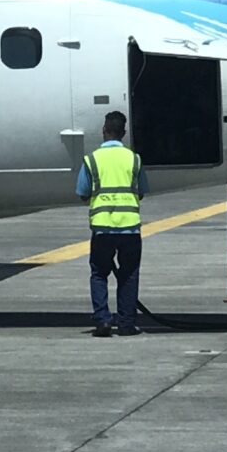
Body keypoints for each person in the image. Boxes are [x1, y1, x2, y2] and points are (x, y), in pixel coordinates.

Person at [75, 110, 145, 337]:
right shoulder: (134, 159)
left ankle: (103, 320)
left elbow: (83, 192)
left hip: (102, 228)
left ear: (104, 131)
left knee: (99, 274)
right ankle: (126, 323)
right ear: (123, 133)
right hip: (129, 227)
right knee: (129, 274)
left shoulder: (92, 159)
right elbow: (141, 191)